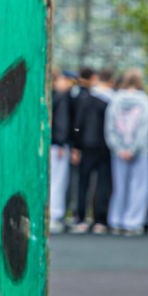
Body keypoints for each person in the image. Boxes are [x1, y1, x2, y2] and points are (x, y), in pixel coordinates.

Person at [105, 68, 148, 235]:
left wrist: (119, 148)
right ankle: (133, 221)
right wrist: (133, 148)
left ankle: (116, 219)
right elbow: (145, 127)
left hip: (118, 151)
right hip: (141, 151)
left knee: (119, 186)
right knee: (139, 186)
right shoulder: (145, 101)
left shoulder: (115, 99)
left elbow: (110, 127)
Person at [69, 67, 113, 233]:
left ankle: (80, 217)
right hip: (103, 145)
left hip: (86, 145)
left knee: (83, 183)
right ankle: (99, 219)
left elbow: (78, 124)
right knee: (102, 183)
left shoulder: (84, 99)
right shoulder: (109, 99)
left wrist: (76, 146)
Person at [49, 68, 77, 233]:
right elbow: (62, 121)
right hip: (57, 145)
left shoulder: (45, 95)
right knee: (58, 181)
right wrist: (61, 142)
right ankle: (55, 214)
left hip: (47, 143)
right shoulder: (61, 97)